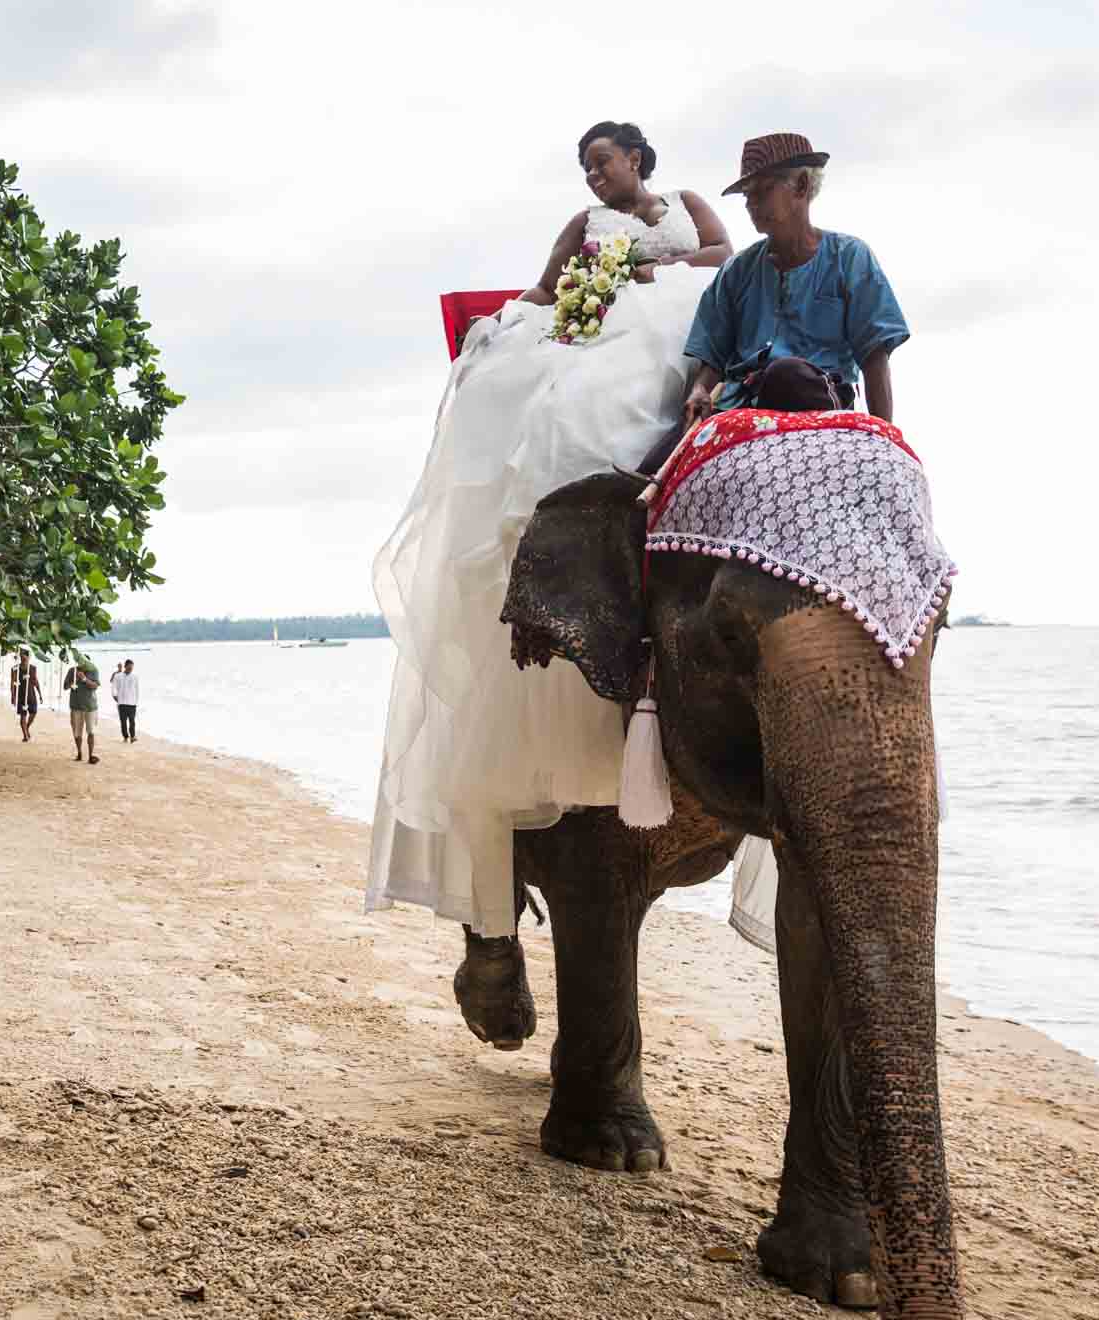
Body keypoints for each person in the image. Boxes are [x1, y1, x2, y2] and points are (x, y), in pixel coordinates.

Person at [368, 121, 735, 939]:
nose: (593, 179)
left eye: (602, 163)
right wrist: (508, 323)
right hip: (602, 330)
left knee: (684, 391)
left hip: (678, 324)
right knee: (574, 413)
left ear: (637, 159)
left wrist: (650, 267)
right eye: (585, 169)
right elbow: (543, 290)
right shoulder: (581, 229)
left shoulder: (687, 206)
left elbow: (724, 256)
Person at [682, 133, 908, 425]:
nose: (751, 203)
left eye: (762, 190)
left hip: (813, 397)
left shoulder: (849, 258)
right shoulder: (735, 271)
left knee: (784, 374)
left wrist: (883, 435)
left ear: (801, 186)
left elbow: (874, 358)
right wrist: (700, 390)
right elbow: (711, 355)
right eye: (747, 194)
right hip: (740, 406)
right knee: (660, 458)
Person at [62, 655, 100, 765]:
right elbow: (65, 686)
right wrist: (72, 683)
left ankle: (90, 755)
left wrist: (84, 679)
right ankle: (79, 753)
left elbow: (95, 686)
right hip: (76, 706)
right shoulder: (72, 671)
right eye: (79, 663)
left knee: (91, 732)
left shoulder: (93, 671)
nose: (81, 665)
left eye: (83, 663)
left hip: (90, 707)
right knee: (77, 732)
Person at [11, 649, 42, 741]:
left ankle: (27, 727)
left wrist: (40, 694)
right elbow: (12, 682)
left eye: (24, 657)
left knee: (33, 713)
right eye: (21, 657)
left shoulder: (33, 668)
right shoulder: (15, 668)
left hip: (31, 694)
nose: (22, 658)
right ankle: (25, 735)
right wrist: (13, 696)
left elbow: (35, 681)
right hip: (20, 694)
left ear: (28, 657)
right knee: (23, 715)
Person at [110, 658, 139, 742]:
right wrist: (114, 695)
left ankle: (132, 736)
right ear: (125, 666)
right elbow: (113, 687)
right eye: (129, 667)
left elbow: (137, 689)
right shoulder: (118, 676)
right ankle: (125, 736)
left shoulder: (135, 677)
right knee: (123, 722)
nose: (130, 669)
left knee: (132, 721)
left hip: (132, 703)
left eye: (132, 668)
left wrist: (136, 701)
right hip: (121, 703)